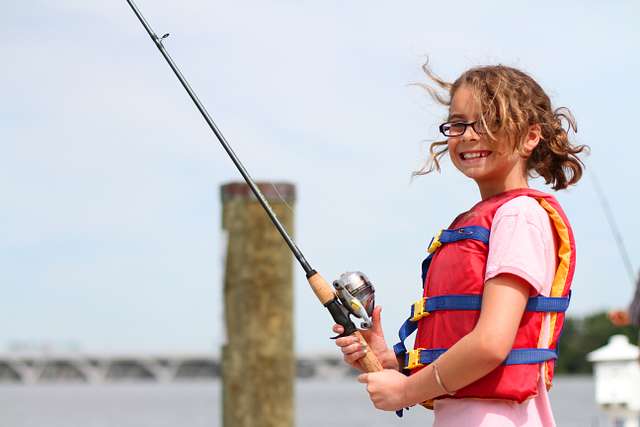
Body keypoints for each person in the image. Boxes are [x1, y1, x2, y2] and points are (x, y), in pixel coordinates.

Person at [333, 64, 588, 426]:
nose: (469, 135)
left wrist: (404, 393)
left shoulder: (518, 216)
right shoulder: (487, 216)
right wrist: (390, 363)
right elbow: (465, 367)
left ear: (531, 137)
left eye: (487, 122)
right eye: (458, 124)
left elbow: (490, 344)